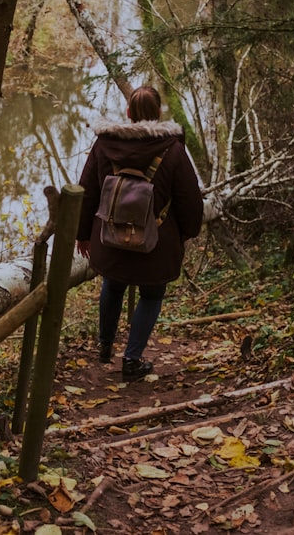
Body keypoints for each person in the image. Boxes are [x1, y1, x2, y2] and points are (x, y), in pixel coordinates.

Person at [75, 86, 203, 382]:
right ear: (159, 113)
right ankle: (132, 360)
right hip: (156, 242)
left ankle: (105, 346)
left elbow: (87, 191)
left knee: (113, 284)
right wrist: (186, 233)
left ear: (129, 113)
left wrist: (83, 234)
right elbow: (189, 198)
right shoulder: (173, 148)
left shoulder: (104, 144)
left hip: (110, 238)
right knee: (152, 294)